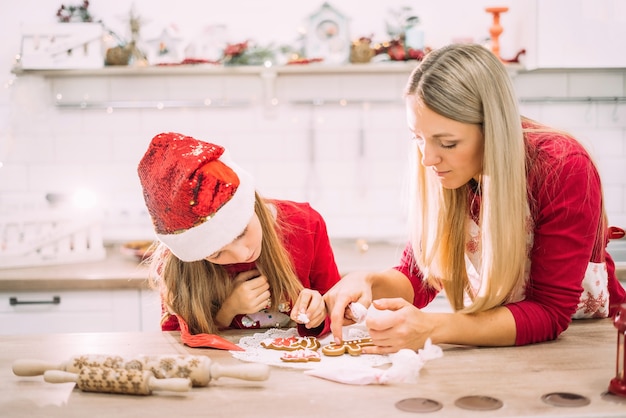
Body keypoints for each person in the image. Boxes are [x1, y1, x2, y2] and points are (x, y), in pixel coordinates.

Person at [324, 43, 626, 353]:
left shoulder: (563, 167)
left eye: (448, 143)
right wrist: (367, 282)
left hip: (587, 343)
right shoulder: (452, 173)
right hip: (495, 344)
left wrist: (433, 328)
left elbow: (549, 312)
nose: (428, 159)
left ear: (492, 129)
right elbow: (419, 278)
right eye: (418, 138)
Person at [138, 132, 341, 346]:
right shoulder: (177, 260)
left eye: (242, 232)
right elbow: (175, 338)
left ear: (249, 204)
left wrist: (319, 313)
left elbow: (337, 305)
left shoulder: (306, 225)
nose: (242, 254)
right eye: (216, 253)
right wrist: (227, 312)